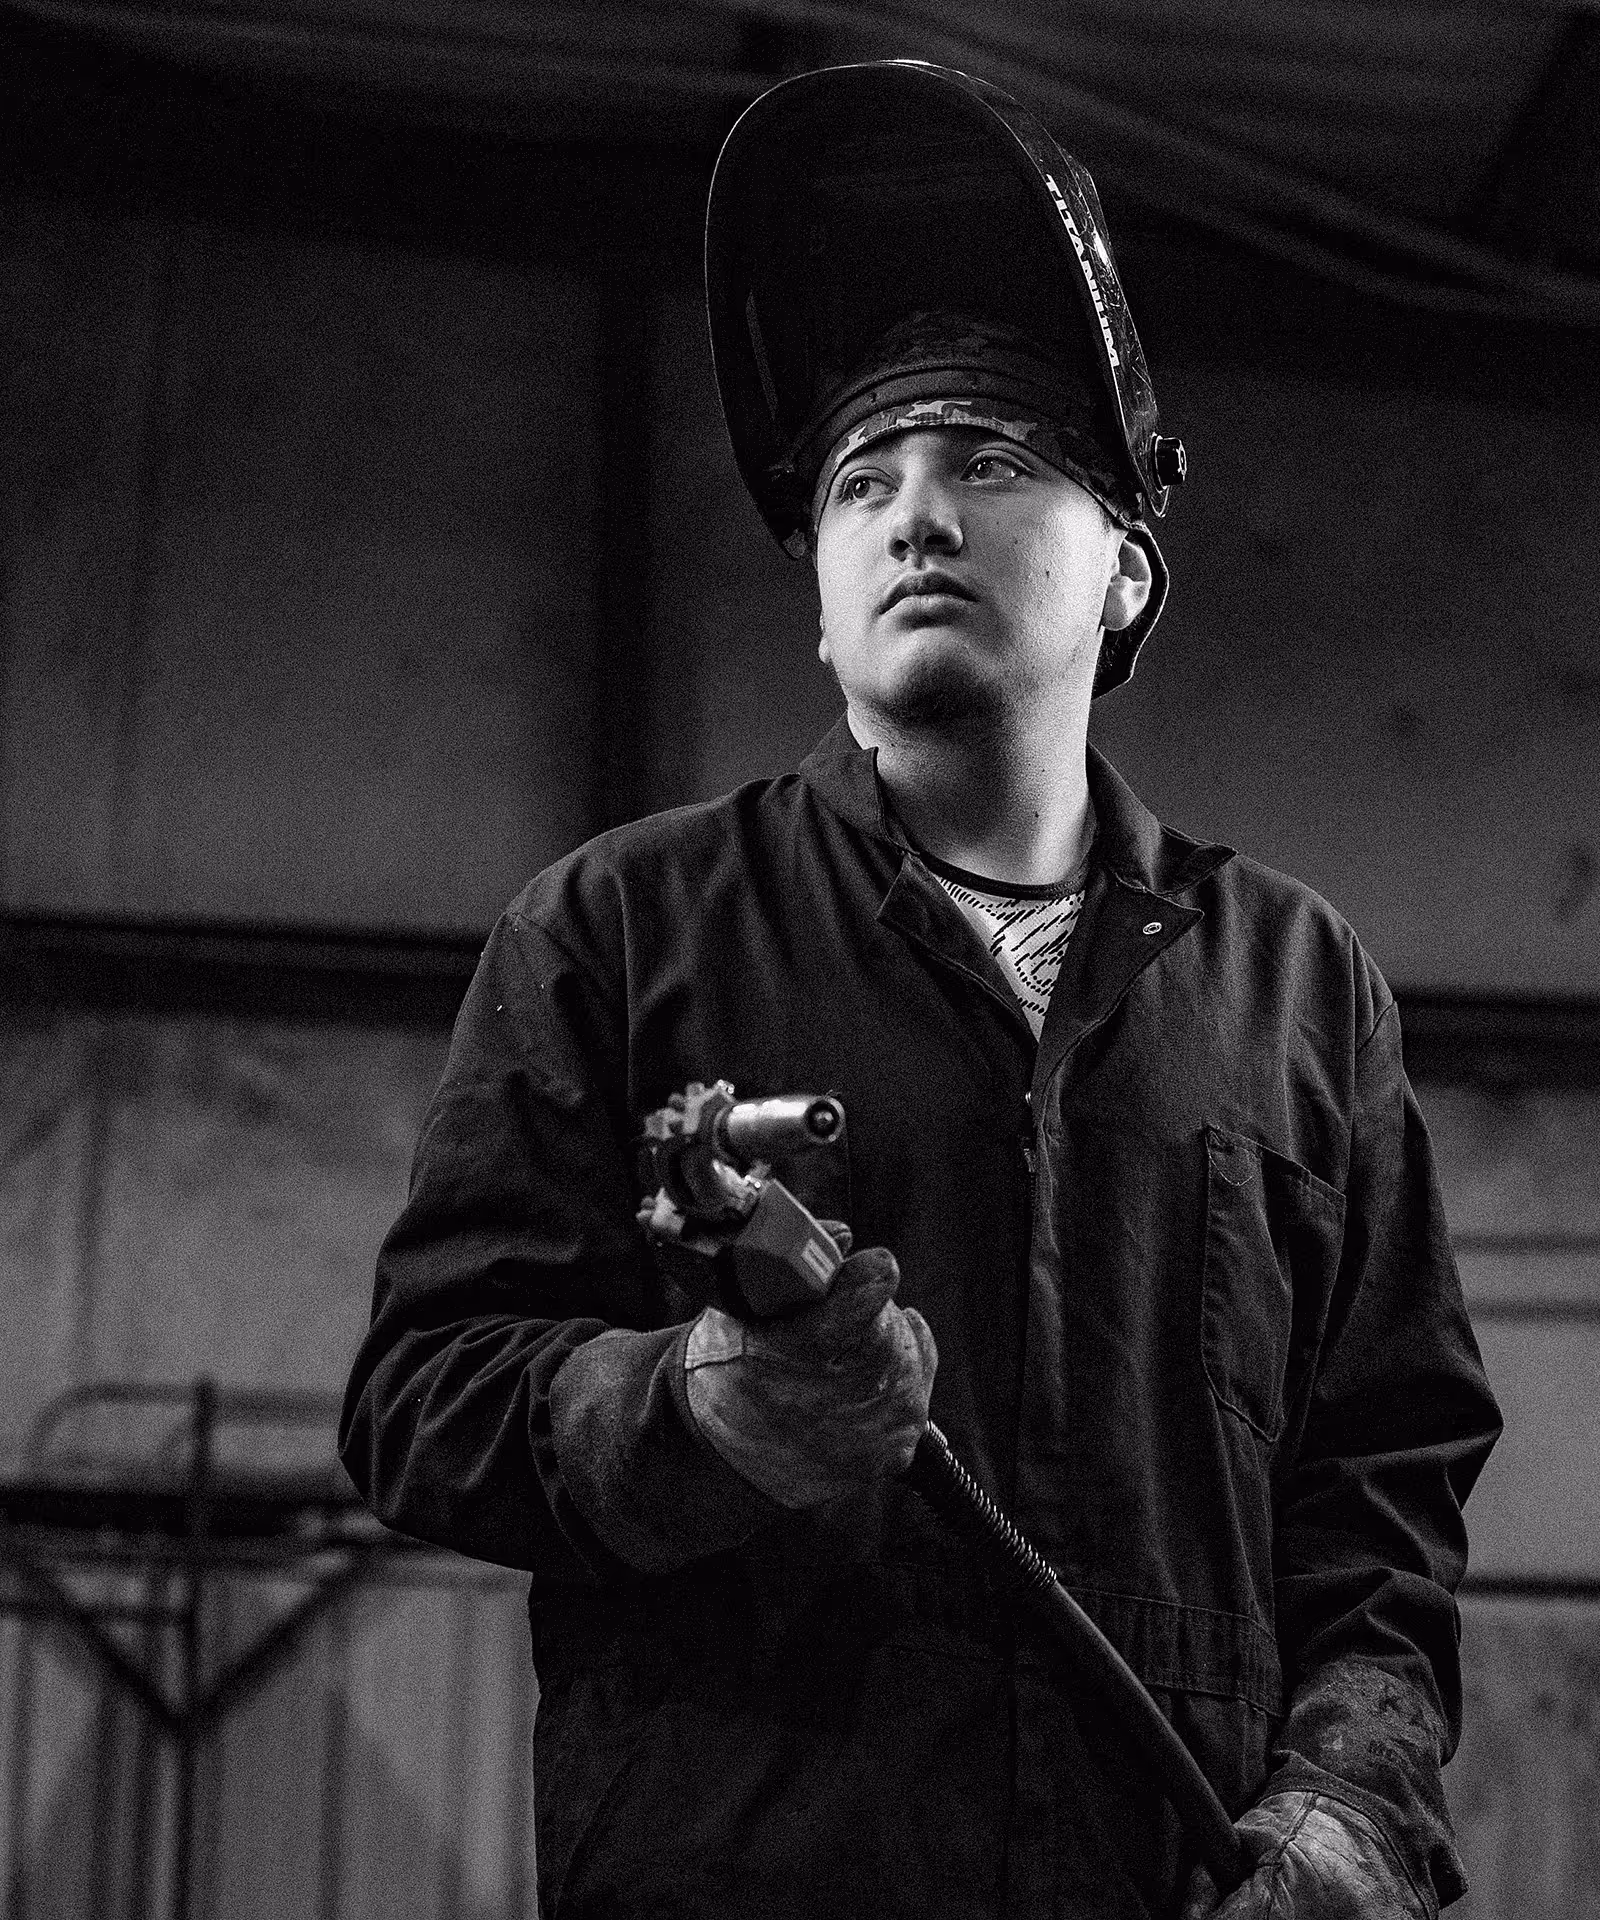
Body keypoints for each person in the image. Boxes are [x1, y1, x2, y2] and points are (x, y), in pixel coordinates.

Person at [340, 60, 1501, 1920]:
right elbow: (420, 1402)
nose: (915, 515)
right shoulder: (621, 927)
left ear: (1127, 566)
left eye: (992, 461)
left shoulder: (1295, 988)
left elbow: (1382, 1484)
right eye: (861, 485)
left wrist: (1356, 1806)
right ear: (814, 594)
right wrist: (692, 1416)